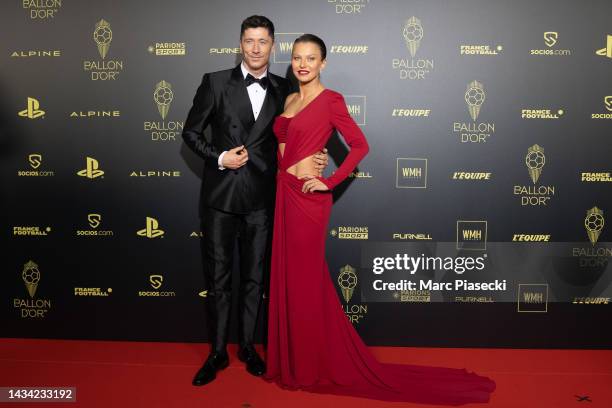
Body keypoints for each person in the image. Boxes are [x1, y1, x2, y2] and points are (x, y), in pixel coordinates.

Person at [264, 34, 496, 405]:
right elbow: (284, 145)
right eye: (296, 57)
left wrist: (329, 181)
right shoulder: (290, 98)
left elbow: (360, 145)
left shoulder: (332, 101)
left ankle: (308, 366)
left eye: (311, 58)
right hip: (284, 193)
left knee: (305, 282)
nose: (303, 64)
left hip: (309, 201)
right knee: (289, 281)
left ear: (324, 63)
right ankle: (292, 360)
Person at [182, 16, 327, 387]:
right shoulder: (214, 82)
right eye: (250, 41)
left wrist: (315, 158)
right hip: (220, 196)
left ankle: (247, 347)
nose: (256, 48)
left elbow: (299, 135)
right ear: (240, 44)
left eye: (263, 41)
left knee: (254, 278)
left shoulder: (285, 88)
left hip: (264, 199)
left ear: (274, 45)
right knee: (218, 279)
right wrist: (219, 157)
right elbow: (191, 132)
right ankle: (216, 352)